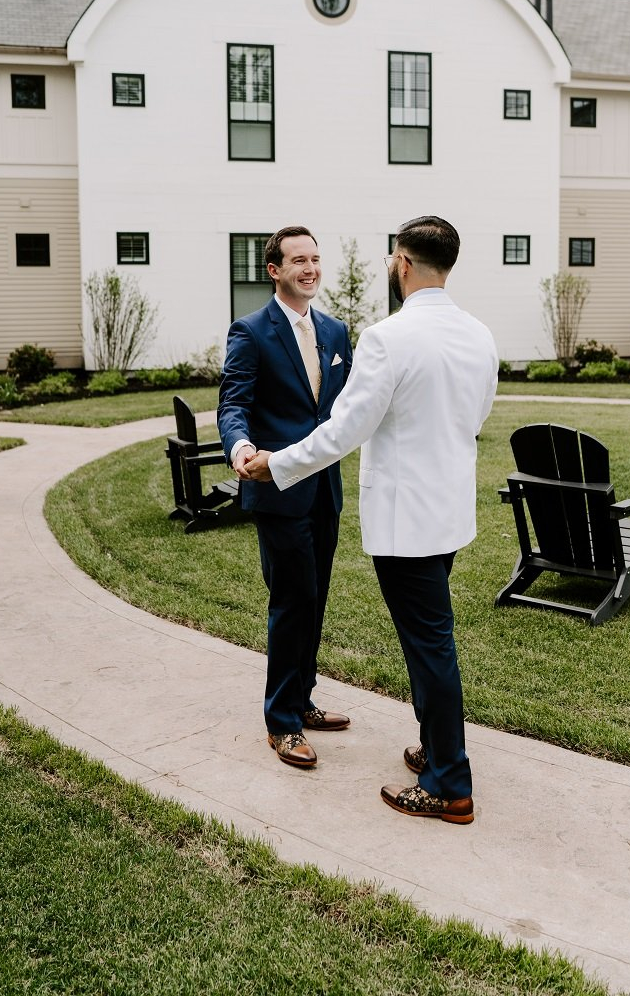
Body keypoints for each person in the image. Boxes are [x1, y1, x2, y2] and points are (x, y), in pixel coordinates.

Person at [246, 215, 498, 824]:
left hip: (405, 521)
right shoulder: (480, 335)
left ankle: (448, 783)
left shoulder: (387, 338)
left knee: (430, 646)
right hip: (448, 515)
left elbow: (343, 431)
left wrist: (276, 464)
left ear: (404, 263)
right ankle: (435, 749)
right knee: (430, 639)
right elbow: (475, 420)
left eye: (392, 258)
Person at [217, 226, 353, 770]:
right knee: (292, 600)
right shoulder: (251, 331)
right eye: (299, 260)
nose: (311, 268)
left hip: (327, 489)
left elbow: (342, 411)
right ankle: (283, 722)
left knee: (314, 598)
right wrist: (241, 447)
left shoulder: (337, 331)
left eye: (316, 259)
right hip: (276, 490)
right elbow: (233, 404)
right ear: (274, 270)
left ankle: (304, 699)